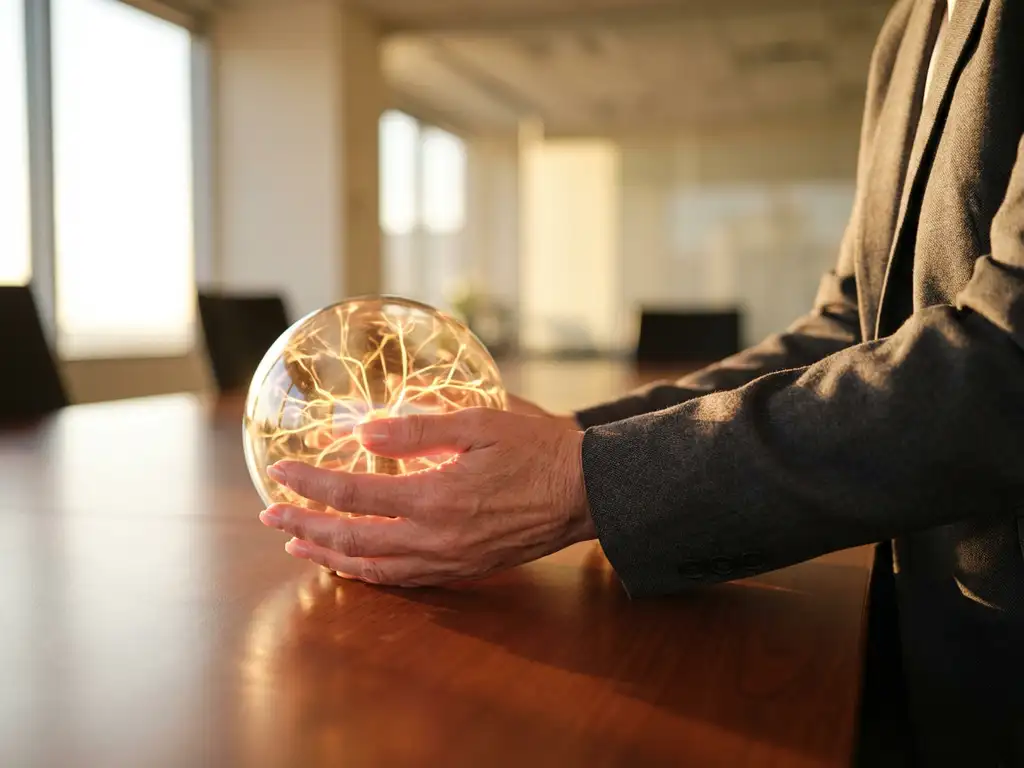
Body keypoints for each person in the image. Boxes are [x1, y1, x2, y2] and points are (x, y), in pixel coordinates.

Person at [259, 0, 1024, 763]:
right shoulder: (908, 26)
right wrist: (578, 438)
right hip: (912, 643)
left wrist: (583, 479)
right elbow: (847, 329)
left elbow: (1004, 359)